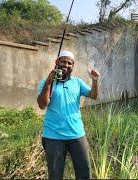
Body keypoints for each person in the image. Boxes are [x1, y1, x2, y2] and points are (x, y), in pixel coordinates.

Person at [37, 50, 100, 180]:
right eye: (63, 61)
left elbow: (93, 96)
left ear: (73, 65)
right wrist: (49, 82)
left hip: (77, 135)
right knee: (55, 175)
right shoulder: (46, 83)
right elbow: (42, 105)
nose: (66, 65)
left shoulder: (77, 82)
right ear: (57, 62)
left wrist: (95, 81)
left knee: (84, 172)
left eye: (69, 63)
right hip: (53, 136)